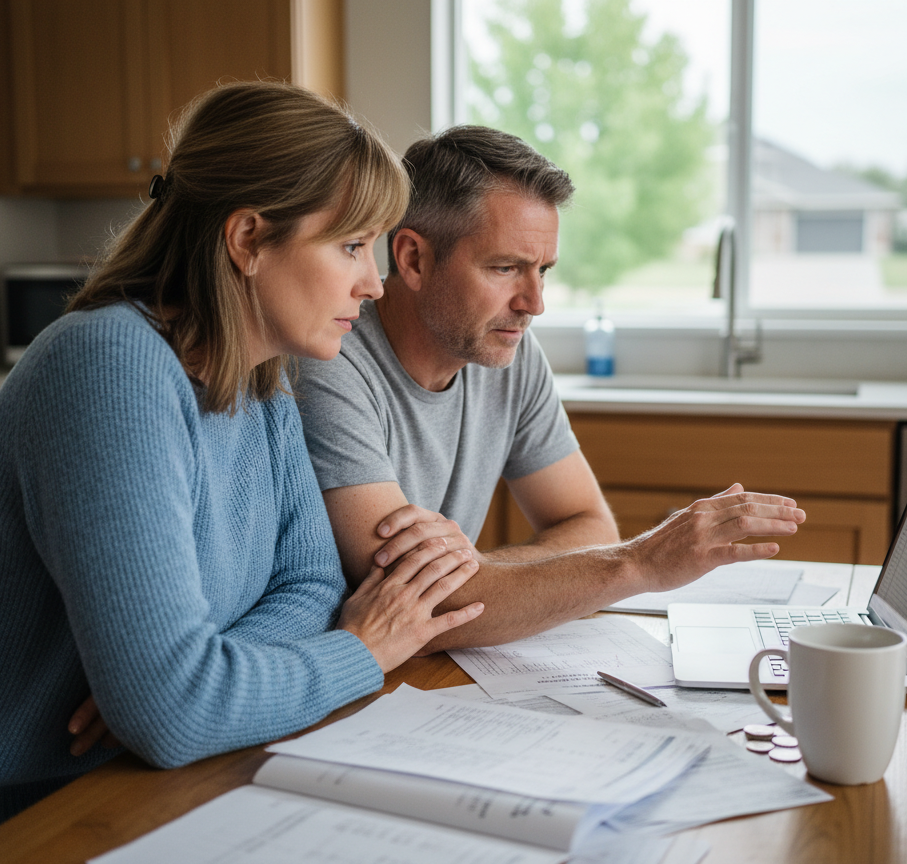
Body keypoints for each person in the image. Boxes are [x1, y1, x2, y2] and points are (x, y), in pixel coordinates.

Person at [0, 82, 482, 864]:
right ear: (247, 240)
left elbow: (308, 589)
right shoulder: (110, 369)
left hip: (135, 783)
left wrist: (205, 677)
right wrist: (362, 652)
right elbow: (175, 714)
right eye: (349, 246)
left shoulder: (261, 383)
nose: (373, 284)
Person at [294, 125, 805, 651]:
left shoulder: (509, 352)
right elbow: (423, 603)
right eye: (506, 268)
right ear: (413, 259)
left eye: (543, 271)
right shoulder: (330, 364)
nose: (534, 303)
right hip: (348, 684)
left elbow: (589, 525)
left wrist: (477, 569)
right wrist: (640, 562)